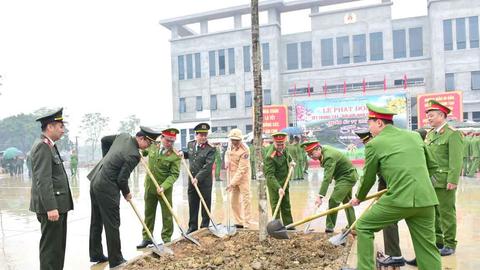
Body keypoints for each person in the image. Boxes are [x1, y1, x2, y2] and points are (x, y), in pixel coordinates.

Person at [343, 103, 441, 270]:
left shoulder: (375, 143)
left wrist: (358, 197)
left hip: (400, 199)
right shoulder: (414, 136)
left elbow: (368, 178)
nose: (369, 128)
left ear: (379, 123)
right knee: (427, 247)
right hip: (426, 200)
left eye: (370, 124)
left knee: (364, 226)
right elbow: (432, 165)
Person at [87, 126, 160, 269]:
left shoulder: (123, 136)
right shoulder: (133, 155)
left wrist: (106, 160)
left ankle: (96, 254)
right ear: (140, 138)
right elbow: (122, 179)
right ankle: (116, 260)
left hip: (96, 180)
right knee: (112, 223)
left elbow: (104, 140)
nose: (149, 146)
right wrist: (127, 193)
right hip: (107, 187)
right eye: (148, 143)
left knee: (96, 220)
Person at [29, 108, 74, 270]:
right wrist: (51, 207)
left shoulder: (50, 145)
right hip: (52, 208)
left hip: (58, 205)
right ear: (50, 127)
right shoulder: (42, 146)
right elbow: (43, 179)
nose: (63, 131)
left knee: (58, 248)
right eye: (60, 127)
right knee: (50, 249)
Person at [355, 130, 405, 267]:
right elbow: (381, 175)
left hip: (397, 187)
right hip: (395, 186)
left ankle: (395, 256)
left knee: (386, 220)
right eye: (365, 142)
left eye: (368, 141)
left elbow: (369, 176)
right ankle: (396, 254)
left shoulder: (380, 146)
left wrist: (359, 197)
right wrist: (380, 195)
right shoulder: (379, 146)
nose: (367, 144)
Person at [423, 100, 463, 257]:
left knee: (446, 213)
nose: (429, 119)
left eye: (431, 116)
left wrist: (452, 180)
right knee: (434, 213)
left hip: (445, 181)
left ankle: (450, 244)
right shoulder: (430, 133)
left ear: (441, 115)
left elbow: (456, 159)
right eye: (428, 116)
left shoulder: (453, 134)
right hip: (431, 180)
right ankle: (439, 241)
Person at [300, 140, 357, 233]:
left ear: (318, 149)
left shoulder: (328, 156)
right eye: (309, 154)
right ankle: (353, 226)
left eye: (312, 153)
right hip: (343, 177)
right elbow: (329, 173)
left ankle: (329, 228)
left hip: (347, 177)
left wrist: (320, 196)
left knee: (334, 200)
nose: (311, 156)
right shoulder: (323, 151)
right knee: (347, 202)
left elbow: (326, 178)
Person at [137, 128, 181, 248]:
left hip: (164, 189)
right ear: (161, 138)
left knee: (167, 215)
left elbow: (174, 175)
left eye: (172, 141)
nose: (170, 143)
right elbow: (144, 152)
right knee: (148, 213)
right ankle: (147, 238)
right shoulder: (153, 146)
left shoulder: (175, 156)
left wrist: (164, 186)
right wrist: (140, 153)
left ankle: (166, 239)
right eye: (168, 140)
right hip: (150, 187)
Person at [183, 123, 216, 234]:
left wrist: (197, 178)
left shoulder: (211, 149)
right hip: (191, 181)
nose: (203, 137)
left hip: (204, 182)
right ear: (196, 135)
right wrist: (182, 154)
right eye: (201, 135)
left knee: (205, 204)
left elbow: (208, 167)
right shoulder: (190, 144)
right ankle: (192, 227)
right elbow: (190, 155)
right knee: (193, 203)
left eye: (205, 135)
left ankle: (204, 227)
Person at [264, 132, 295, 226]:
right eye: (278, 144)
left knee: (286, 205)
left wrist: (291, 161)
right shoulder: (270, 157)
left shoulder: (284, 149)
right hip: (274, 184)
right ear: (274, 142)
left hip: (285, 182)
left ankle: (289, 226)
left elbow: (288, 157)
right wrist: (278, 188)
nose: (280, 146)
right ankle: (277, 227)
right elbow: (269, 175)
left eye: (282, 144)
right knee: (276, 206)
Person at [225, 129, 253, 228]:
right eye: (233, 140)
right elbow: (227, 154)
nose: (234, 142)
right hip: (233, 176)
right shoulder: (230, 146)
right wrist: (226, 161)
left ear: (241, 140)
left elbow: (242, 169)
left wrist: (231, 184)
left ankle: (247, 223)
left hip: (243, 178)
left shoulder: (245, 150)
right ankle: (239, 221)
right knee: (233, 201)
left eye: (237, 140)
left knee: (246, 200)